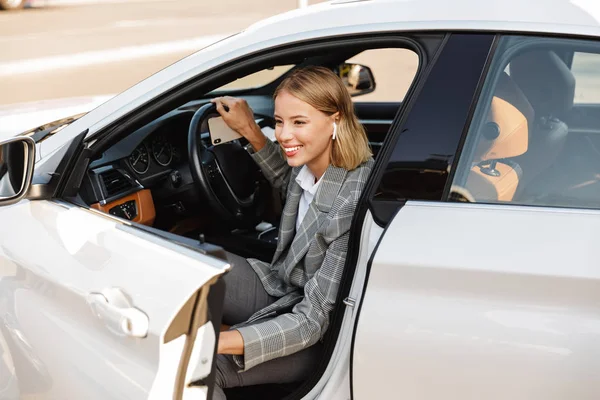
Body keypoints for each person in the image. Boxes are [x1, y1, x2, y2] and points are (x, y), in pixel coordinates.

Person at [210, 66, 374, 399]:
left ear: (336, 120)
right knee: (199, 267)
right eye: (280, 121)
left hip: (315, 335)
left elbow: (313, 320)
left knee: (201, 369)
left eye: (299, 122)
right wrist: (250, 130)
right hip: (282, 287)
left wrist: (217, 341)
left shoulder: (351, 201)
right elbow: (290, 184)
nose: (284, 135)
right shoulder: (312, 168)